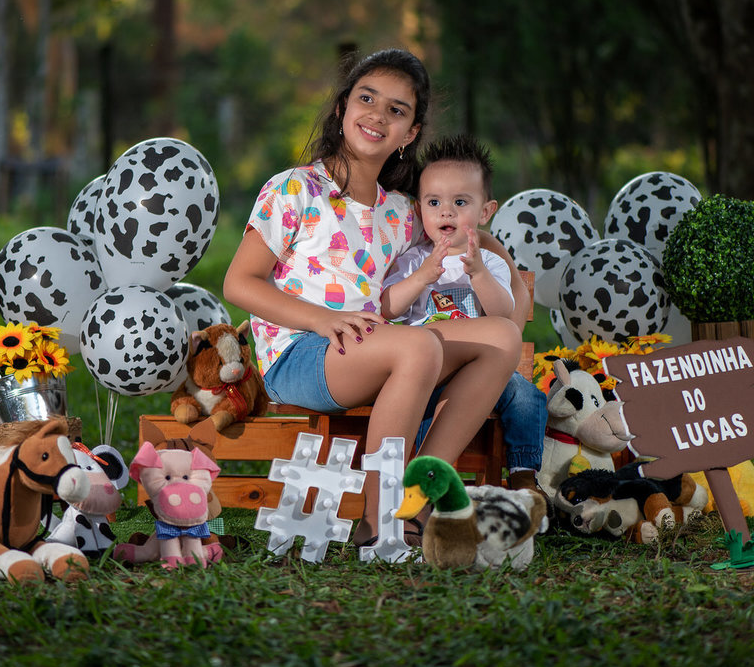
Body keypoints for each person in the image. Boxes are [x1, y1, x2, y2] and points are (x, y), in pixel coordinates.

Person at [223, 49, 526, 545]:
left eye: (396, 110)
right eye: (367, 99)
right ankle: (378, 519)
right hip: (300, 354)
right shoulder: (295, 189)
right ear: (342, 108)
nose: (378, 115)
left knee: (502, 336)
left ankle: (420, 495)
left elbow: (466, 230)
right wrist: (322, 320)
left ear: (409, 134)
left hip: (374, 349)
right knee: (418, 345)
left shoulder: (402, 211)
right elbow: (240, 283)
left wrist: (506, 276)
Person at [381, 134, 548, 494]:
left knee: (526, 395)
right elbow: (388, 307)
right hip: (428, 372)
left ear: (485, 211)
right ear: (419, 210)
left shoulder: (488, 262)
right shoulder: (412, 261)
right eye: (434, 202)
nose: (446, 212)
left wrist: (479, 275)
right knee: (419, 405)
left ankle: (523, 473)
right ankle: (418, 477)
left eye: (460, 202)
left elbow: (503, 315)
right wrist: (421, 277)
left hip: (480, 373)